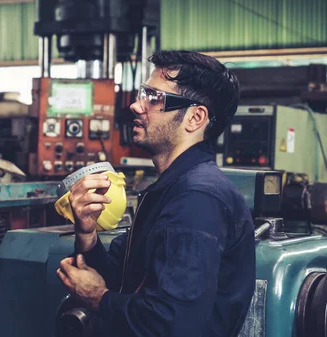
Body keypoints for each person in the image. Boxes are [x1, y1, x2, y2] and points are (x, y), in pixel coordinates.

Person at [57, 50, 255, 336]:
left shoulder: (197, 198)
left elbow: (171, 323)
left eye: (154, 98)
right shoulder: (172, 190)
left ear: (195, 118)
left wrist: (97, 297)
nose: (137, 106)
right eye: (143, 93)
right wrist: (87, 234)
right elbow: (123, 279)